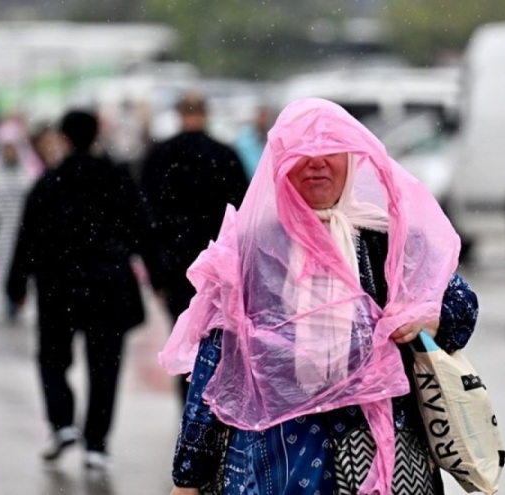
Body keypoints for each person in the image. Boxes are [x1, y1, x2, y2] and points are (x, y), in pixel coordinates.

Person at [161, 98, 479, 495]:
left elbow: (462, 307)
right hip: (274, 457)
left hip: (384, 454)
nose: (316, 163)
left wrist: (431, 318)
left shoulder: (387, 239)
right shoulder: (251, 249)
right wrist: (187, 476)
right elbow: (217, 363)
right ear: (279, 163)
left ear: (351, 158)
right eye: (302, 153)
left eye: (329, 151)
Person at [7, 109, 161, 470]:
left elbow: (27, 236)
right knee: (105, 366)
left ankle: (61, 422)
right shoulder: (116, 179)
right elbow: (142, 228)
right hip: (108, 284)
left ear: (63, 137)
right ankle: (96, 443)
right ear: (95, 136)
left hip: (58, 285)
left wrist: (16, 282)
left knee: (52, 358)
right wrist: (159, 277)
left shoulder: (49, 182)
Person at [140, 90, 249, 402]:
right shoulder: (226, 156)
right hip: (219, 266)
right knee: (219, 340)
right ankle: (214, 409)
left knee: (185, 338)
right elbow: (242, 214)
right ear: (206, 113)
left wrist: (156, 273)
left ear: (178, 113)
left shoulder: (160, 157)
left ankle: (188, 407)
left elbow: (148, 220)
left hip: (175, 267)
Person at [0, 118, 45, 320]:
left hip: (23, 229)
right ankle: (8, 300)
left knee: (22, 266)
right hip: (0, 231)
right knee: (2, 267)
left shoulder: (32, 171)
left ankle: (17, 299)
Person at [234, 104, 274, 181]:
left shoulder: (270, 136)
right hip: (250, 178)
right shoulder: (246, 137)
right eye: (262, 116)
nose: (264, 120)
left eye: (266, 117)